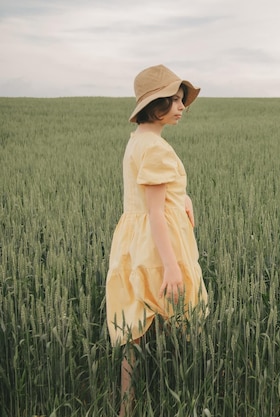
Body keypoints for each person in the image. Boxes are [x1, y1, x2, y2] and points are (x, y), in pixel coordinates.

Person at [105, 64, 209, 416]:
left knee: (133, 324)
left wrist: (184, 198)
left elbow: (152, 193)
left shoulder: (138, 142)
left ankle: (126, 407)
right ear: (155, 105)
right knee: (180, 313)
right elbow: (154, 212)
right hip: (157, 242)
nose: (182, 107)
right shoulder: (158, 150)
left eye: (182, 100)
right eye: (174, 100)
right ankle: (188, 396)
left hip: (133, 241)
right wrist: (171, 266)